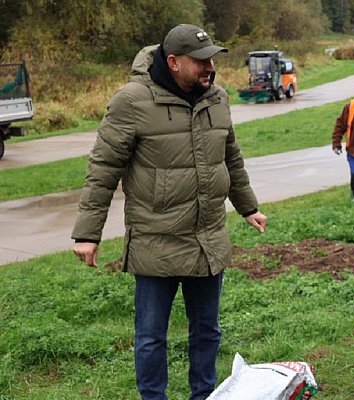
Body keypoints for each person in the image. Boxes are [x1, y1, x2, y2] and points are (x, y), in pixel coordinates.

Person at [71, 24, 267, 400]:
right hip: (155, 240)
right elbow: (103, 168)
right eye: (201, 61)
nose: (210, 67)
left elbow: (230, 157)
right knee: (150, 337)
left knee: (207, 331)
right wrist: (87, 233)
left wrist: (248, 207)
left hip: (207, 240)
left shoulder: (217, 98)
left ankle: (204, 395)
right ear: (174, 62)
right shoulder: (132, 101)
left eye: (212, 59)